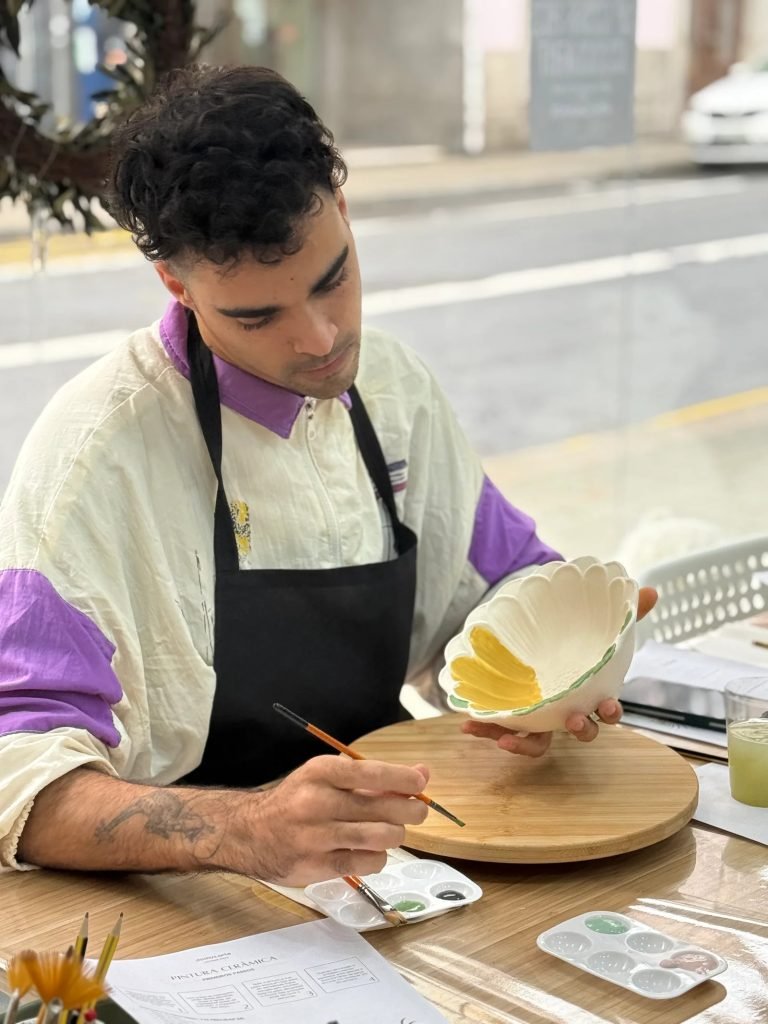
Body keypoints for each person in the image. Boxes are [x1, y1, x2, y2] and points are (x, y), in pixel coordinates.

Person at [0, 65, 655, 885]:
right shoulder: (93, 460)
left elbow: (500, 589)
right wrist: (243, 828)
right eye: (256, 315)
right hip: (180, 910)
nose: (319, 339)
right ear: (176, 283)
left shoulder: (395, 389)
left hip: (393, 870)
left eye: (332, 279)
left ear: (342, 213)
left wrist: (558, 675)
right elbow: (20, 779)